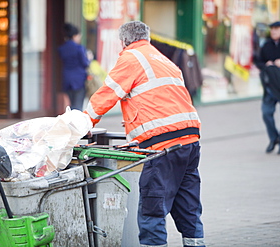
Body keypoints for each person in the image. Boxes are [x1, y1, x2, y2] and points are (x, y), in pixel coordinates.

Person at [84, 21, 205, 247]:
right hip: (190, 141)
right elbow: (163, 100)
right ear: (147, 38)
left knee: (152, 208)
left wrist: (82, 124)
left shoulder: (131, 58)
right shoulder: (165, 61)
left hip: (162, 146)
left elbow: (106, 95)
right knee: (188, 205)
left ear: (123, 41)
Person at [255, 21, 280, 155]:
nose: (274, 32)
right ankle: (273, 138)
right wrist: (266, 64)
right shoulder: (266, 45)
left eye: (276, 29)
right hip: (270, 87)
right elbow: (258, 60)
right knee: (266, 113)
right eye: (272, 29)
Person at [58, 23, 90, 110]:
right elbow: (85, 63)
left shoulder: (61, 48)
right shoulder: (79, 48)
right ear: (75, 36)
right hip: (79, 80)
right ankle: (76, 123)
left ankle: (70, 122)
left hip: (67, 78)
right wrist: (89, 58)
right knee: (78, 105)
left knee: (71, 104)